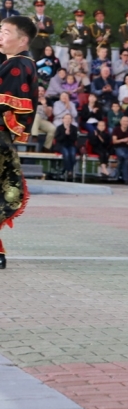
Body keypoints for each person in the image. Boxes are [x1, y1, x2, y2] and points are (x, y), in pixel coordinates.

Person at [0, 15, 39, 269]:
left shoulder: (20, 65)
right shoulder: (10, 62)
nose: (0, 36)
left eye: (5, 32)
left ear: (22, 40)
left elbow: (10, 103)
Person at [53, 113, 79, 180]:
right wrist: (65, 134)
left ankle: (65, 170)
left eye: (69, 118)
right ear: (63, 120)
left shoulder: (74, 128)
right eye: (66, 118)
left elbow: (75, 139)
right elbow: (58, 139)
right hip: (61, 145)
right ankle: (69, 171)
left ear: (71, 120)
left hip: (70, 145)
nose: (67, 120)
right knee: (66, 154)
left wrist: (69, 134)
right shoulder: (59, 128)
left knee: (73, 154)